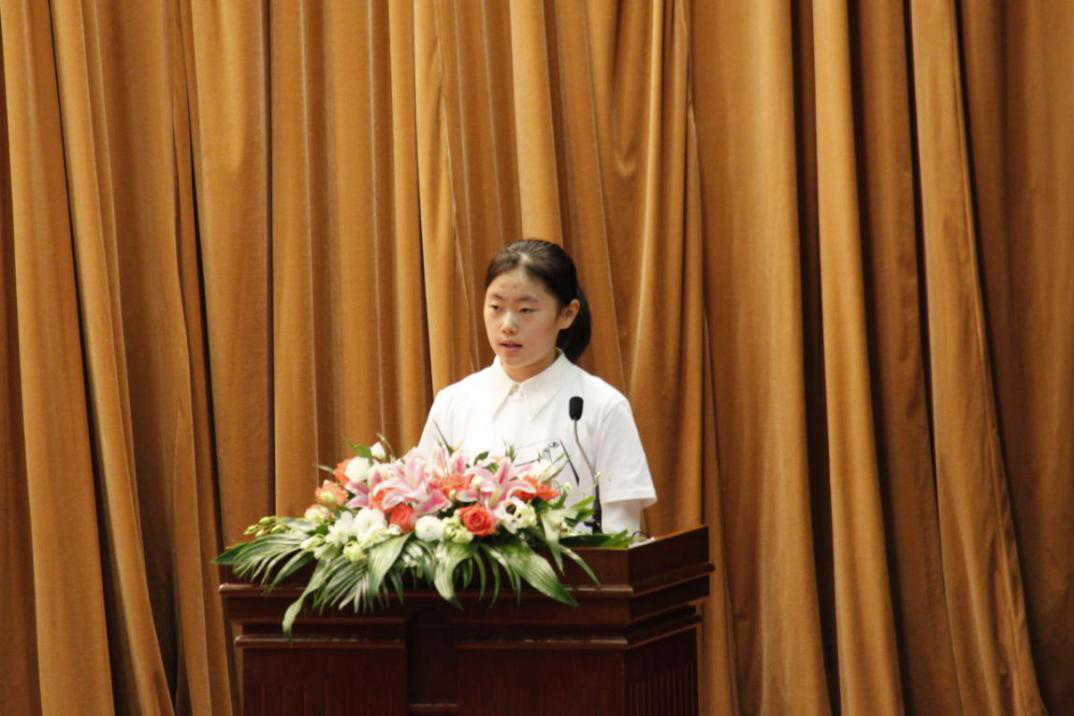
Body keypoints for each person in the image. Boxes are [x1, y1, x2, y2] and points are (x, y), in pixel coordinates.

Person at [418, 239, 656, 533]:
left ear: (567, 314)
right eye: (496, 307)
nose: (507, 325)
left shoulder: (602, 406)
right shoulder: (453, 402)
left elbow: (622, 536)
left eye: (526, 310)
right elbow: (424, 515)